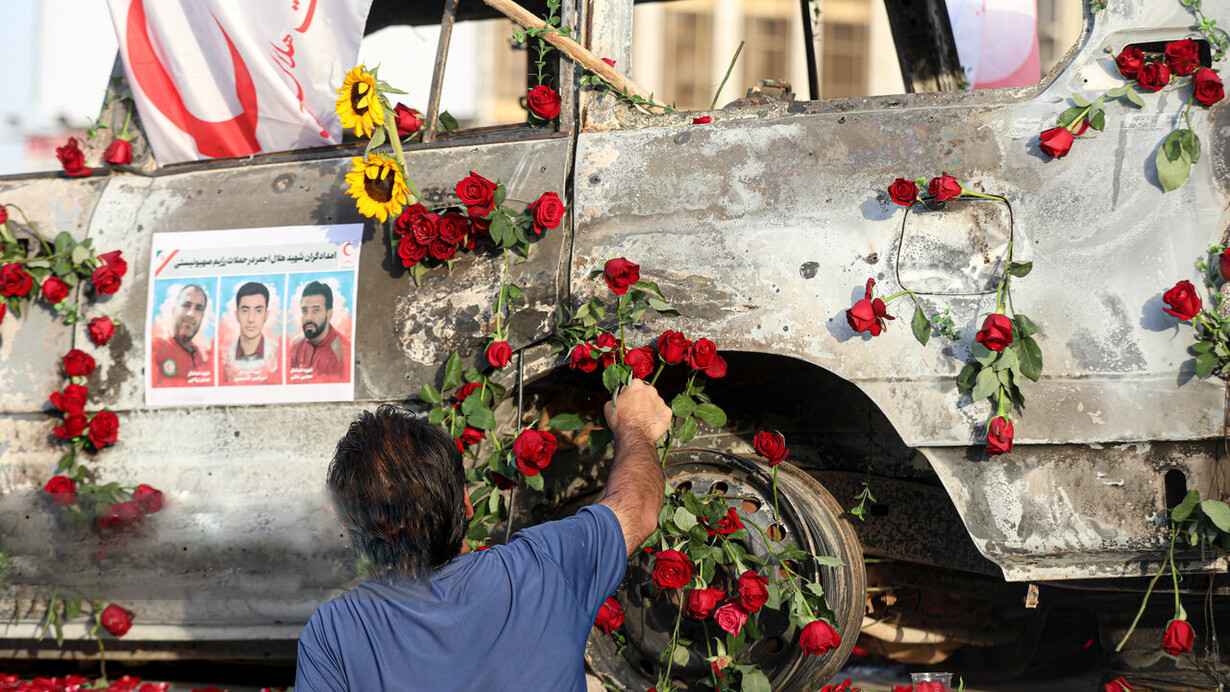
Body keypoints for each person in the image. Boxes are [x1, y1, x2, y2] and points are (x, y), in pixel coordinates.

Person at [295, 379, 672, 691]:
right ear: (466, 502)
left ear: (353, 531)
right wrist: (636, 426)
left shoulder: (334, 634)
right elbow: (636, 508)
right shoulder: (545, 568)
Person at [151, 284, 212, 387]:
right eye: (186, 305)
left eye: (198, 308)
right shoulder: (156, 349)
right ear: (173, 310)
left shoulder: (200, 357)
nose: (191, 314)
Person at [289, 280, 350, 383]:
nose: (308, 317)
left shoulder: (343, 352)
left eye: (316, 310)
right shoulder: (296, 345)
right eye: (304, 311)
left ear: (329, 314)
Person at [222, 281, 278, 385]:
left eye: (258, 311)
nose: (251, 319)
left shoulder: (279, 354)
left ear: (266, 315)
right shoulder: (224, 358)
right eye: (245, 311)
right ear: (237, 315)